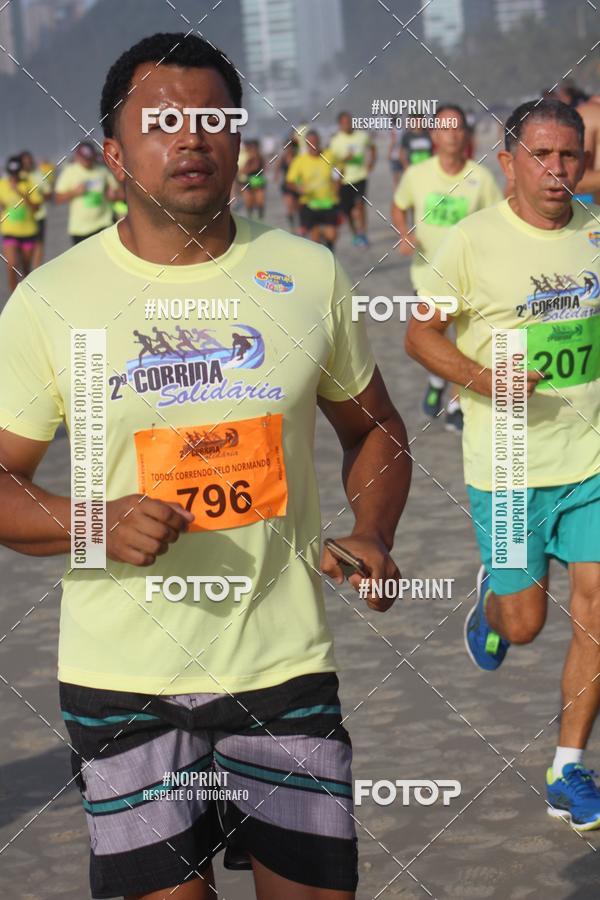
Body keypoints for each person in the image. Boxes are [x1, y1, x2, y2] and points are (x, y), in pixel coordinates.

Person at [0, 32, 412, 900]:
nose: (190, 139)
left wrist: (371, 530)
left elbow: (376, 429)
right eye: (161, 122)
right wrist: (92, 521)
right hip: (124, 684)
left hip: (284, 666)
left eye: (212, 119)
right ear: (114, 153)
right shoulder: (50, 299)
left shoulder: (306, 273)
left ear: (239, 139)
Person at [405, 99, 600, 831]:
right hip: (510, 461)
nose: (557, 172)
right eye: (542, 157)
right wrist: (483, 378)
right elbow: (420, 339)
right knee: (523, 626)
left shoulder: (594, 231)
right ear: (509, 160)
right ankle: (492, 598)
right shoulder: (468, 243)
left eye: (570, 158)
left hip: (590, 458)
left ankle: (567, 768)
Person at [392, 104, 503, 431]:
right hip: (426, 277)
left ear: (465, 134)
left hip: (470, 278)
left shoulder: (480, 178)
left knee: (464, 344)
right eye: (444, 128)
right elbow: (399, 206)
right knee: (435, 342)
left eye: (458, 128)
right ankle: (437, 382)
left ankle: (456, 406)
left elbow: (498, 219)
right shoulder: (416, 175)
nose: (452, 135)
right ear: (434, 136)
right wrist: (404, 231)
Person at [54, 140, 119, 244]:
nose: (87, 161)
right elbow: (58, 198)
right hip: (80, 229)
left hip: (104, 224)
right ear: (77, 156)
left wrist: (113, 195)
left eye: (89, 158)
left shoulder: (102, 171)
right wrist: (75, 192)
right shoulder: (69, 172)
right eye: (84, 158)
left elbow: (118, 192)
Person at [286, 130, 339, 251]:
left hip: (328, 201)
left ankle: (329, 250)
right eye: (310, 143)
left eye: (315, 142)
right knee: (315, 241)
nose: (313, 146)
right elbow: (289, 182)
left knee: (332, 235)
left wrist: (337, 186)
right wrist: (299, 188)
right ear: (306, 145)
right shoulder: (300, 160)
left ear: (320, 142)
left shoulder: (329, 155)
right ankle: (322, 259)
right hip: (309, 203)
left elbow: (338, 172)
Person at [328, 112, 376, 247]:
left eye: (349, 121)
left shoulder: (362, 136)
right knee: (347, 210)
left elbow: (372, 147)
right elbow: (331, 162)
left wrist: (371, 163)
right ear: (340, 125)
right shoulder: (335, 141)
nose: (347, 125)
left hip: (360, 176)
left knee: (360, 204)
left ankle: (363, 233)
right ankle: (355, 234)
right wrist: (345, 159)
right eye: (344, 123)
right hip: (343, 180)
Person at [0, 155, 42, 292]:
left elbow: (37, 208)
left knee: (25, 269)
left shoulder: (28, 183)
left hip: (28, 231)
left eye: (16, 173)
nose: (14, 176)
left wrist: (21, 193)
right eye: (11, 173)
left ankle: (26, 294)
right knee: (11, 265)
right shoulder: (2, 184)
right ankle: (14, 295)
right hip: (10, 232)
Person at [19, 150, 52, 269]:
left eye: (29, 161)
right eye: (24, 162)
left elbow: (49, 194)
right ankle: (26, 271)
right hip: (23, 217)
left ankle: (36, 269)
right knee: (25, 249)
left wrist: (40, 196)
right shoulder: (17, 177)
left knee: (39, 244)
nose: (27, 164)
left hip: (39, 215)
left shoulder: (39, 175)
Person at [276, 131, 299, 230]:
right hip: (286, 185)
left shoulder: (297, 157)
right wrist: (276, 176)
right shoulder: (283, 157)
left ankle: (299, 224)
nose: (289, 149)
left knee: (296, 207)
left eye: (290, 147)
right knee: (289, 206)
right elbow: (277, 167)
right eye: (287, 147)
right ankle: (292, 226)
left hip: (297, 184)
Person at [240, 139, 266, 219]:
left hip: (256, 179)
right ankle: (253, 218)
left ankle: (259, 218)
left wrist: (243, 171)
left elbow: (255, 167)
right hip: (249, 179)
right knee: (250, 202)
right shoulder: (247, 155)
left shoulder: (257, 155)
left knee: (259, 202)